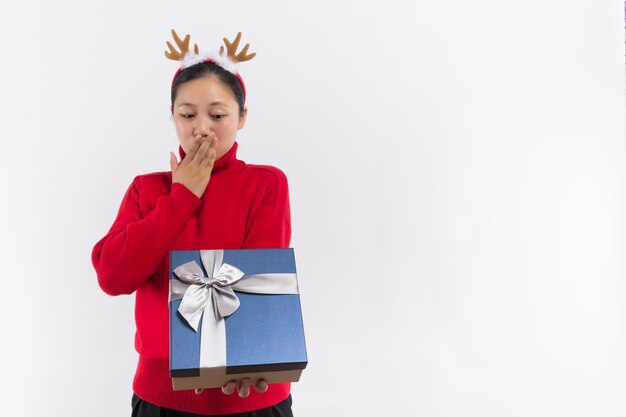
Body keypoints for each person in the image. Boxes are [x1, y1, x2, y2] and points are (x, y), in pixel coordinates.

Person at [91, 30, 294, 417]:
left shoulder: (266, 184)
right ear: (173, 117)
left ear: (242, 117)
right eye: (187, 114)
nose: (202, 128)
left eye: (218, 115)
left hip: (251, 395)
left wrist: (253, 359)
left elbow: (260, 286)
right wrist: (181, 196)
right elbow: (114, 277)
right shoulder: (146, 189)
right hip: (162, 399)